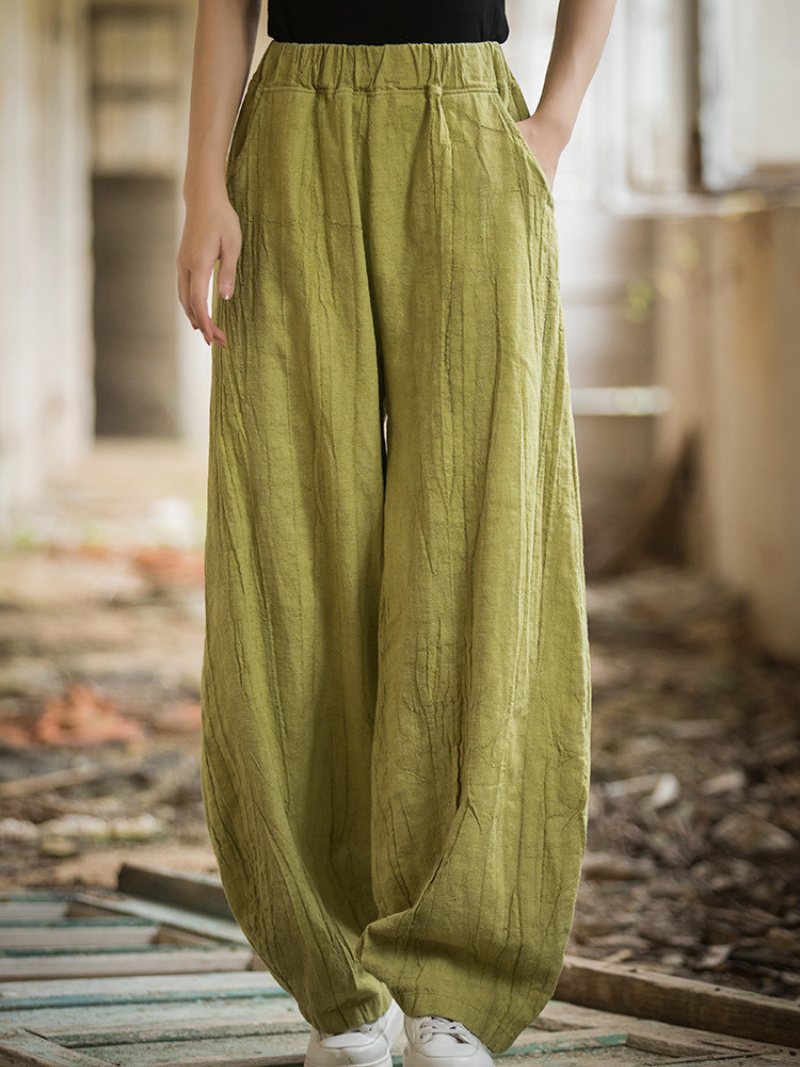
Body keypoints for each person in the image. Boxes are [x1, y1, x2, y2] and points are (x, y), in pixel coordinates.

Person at [177, 1, 617, 1065]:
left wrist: (552, 123)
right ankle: (343, 986)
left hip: (468, 122)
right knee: (288, 545)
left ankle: (455, 981)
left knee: (482, 535)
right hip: (287, 129)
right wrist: (201, 189)